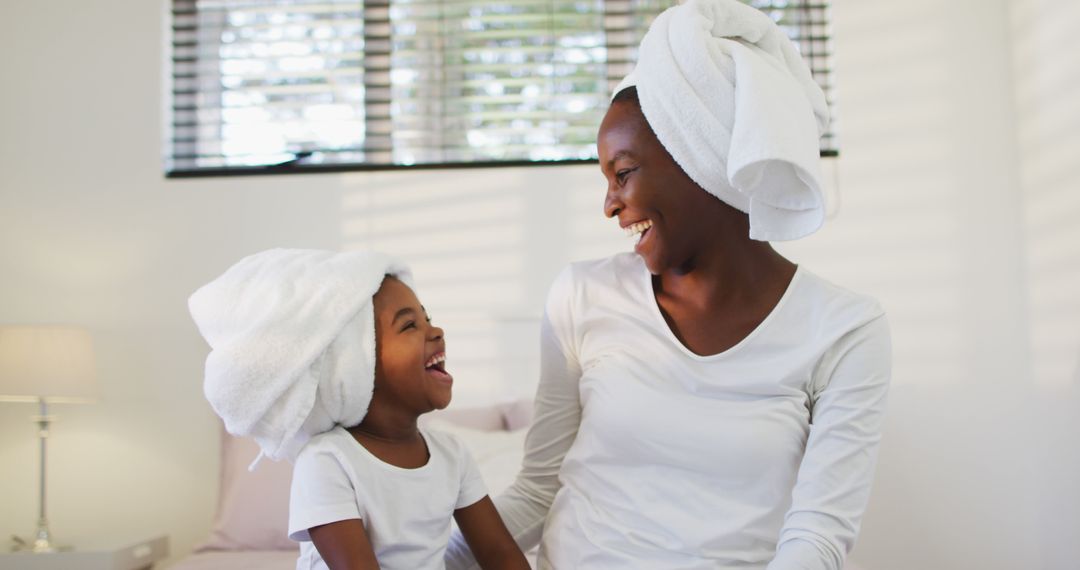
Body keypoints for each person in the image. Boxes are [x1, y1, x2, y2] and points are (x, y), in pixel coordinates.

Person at [446, 1, 892, 569]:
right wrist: (410, 559)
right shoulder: (582, 296)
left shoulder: (845, 329)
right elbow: (538, 490)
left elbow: (817, 538)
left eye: (623, 173)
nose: (609, 205)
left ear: (701, 159)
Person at [189, 249, 529, 570]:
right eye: (410, 325)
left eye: (428, 319)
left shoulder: (452, 455)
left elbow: (500, 554)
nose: (436, 331)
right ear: (356, 365)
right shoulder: (328, 462)